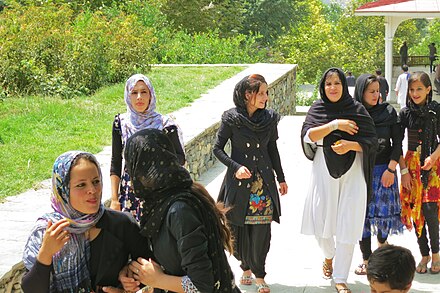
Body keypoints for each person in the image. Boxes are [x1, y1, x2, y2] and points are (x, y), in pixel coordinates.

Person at [120, 128, 240, 293]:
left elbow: (201, 285)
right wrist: (134, 272)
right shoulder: (159, 204)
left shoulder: (179, 211)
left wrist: (158, 279)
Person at [21, 151, 151, 293]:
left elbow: (150, 275)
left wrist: (128, 278)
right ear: (63, 189)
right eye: (81, 185)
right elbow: (31, 289)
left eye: (96, 181)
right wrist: (45, 255)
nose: (92, 190)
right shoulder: (47, 232)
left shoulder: (122, 224)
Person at [300, 68, 377, 293]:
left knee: (348, 221)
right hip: (323, 169)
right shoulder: (317, 108)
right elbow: (308, 135)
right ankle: (329, 255)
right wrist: (336, 125)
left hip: (353, 170)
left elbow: (373, 142)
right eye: (328, 84)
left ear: (344, 85)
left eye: (337, 83)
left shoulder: (357, 109)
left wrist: (351, 145)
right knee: (319, 220)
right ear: (323, 87)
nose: (333, 87)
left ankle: (340, 277)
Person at [213, 74, 288, 293]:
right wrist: (235, 167)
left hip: (263, 183)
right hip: (238, 183)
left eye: (267, 92)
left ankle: (259, 273)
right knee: (238, 226)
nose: (266, 97)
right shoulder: (231, 119)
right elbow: (217, 149)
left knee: (261, 228)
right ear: (248, 95)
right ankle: (244, 266)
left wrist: (281, 178)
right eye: (262, 92)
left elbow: (272, 150)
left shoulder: (270, 119)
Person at [110, 73, 185, 221]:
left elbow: (180, 158)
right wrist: (114, 199)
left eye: (144, 91)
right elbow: (116, 162)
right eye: (134, 92)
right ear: (128, 96)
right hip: (130, 194)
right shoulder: (121, 124)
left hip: (160, 192)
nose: (139, 97)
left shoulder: (165, 125)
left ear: (151, 95)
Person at [352, 74, 404, 275]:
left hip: (385, 170)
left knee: (383, 217)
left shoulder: (389, 112)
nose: (376, 95)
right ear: (361, 92)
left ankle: (382, 249)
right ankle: (366, 259)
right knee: (361, 217)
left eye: (378, 91)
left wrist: (392, 169)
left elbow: (397, 143)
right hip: (360, 171)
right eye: (371, 91)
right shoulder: (355, 114)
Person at [399, 71, 440, 275]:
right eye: (412, 89)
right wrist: (404, 170)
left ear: (428, 90)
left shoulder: (436, 110)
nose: (415, 93)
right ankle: (423, 254)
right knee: (416, 212)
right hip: (412, 166)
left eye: (419, 89)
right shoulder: (405, 113)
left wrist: (433, 157)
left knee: (431, 211)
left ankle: (436, 254)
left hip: (433, 165)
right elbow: (396, 143)